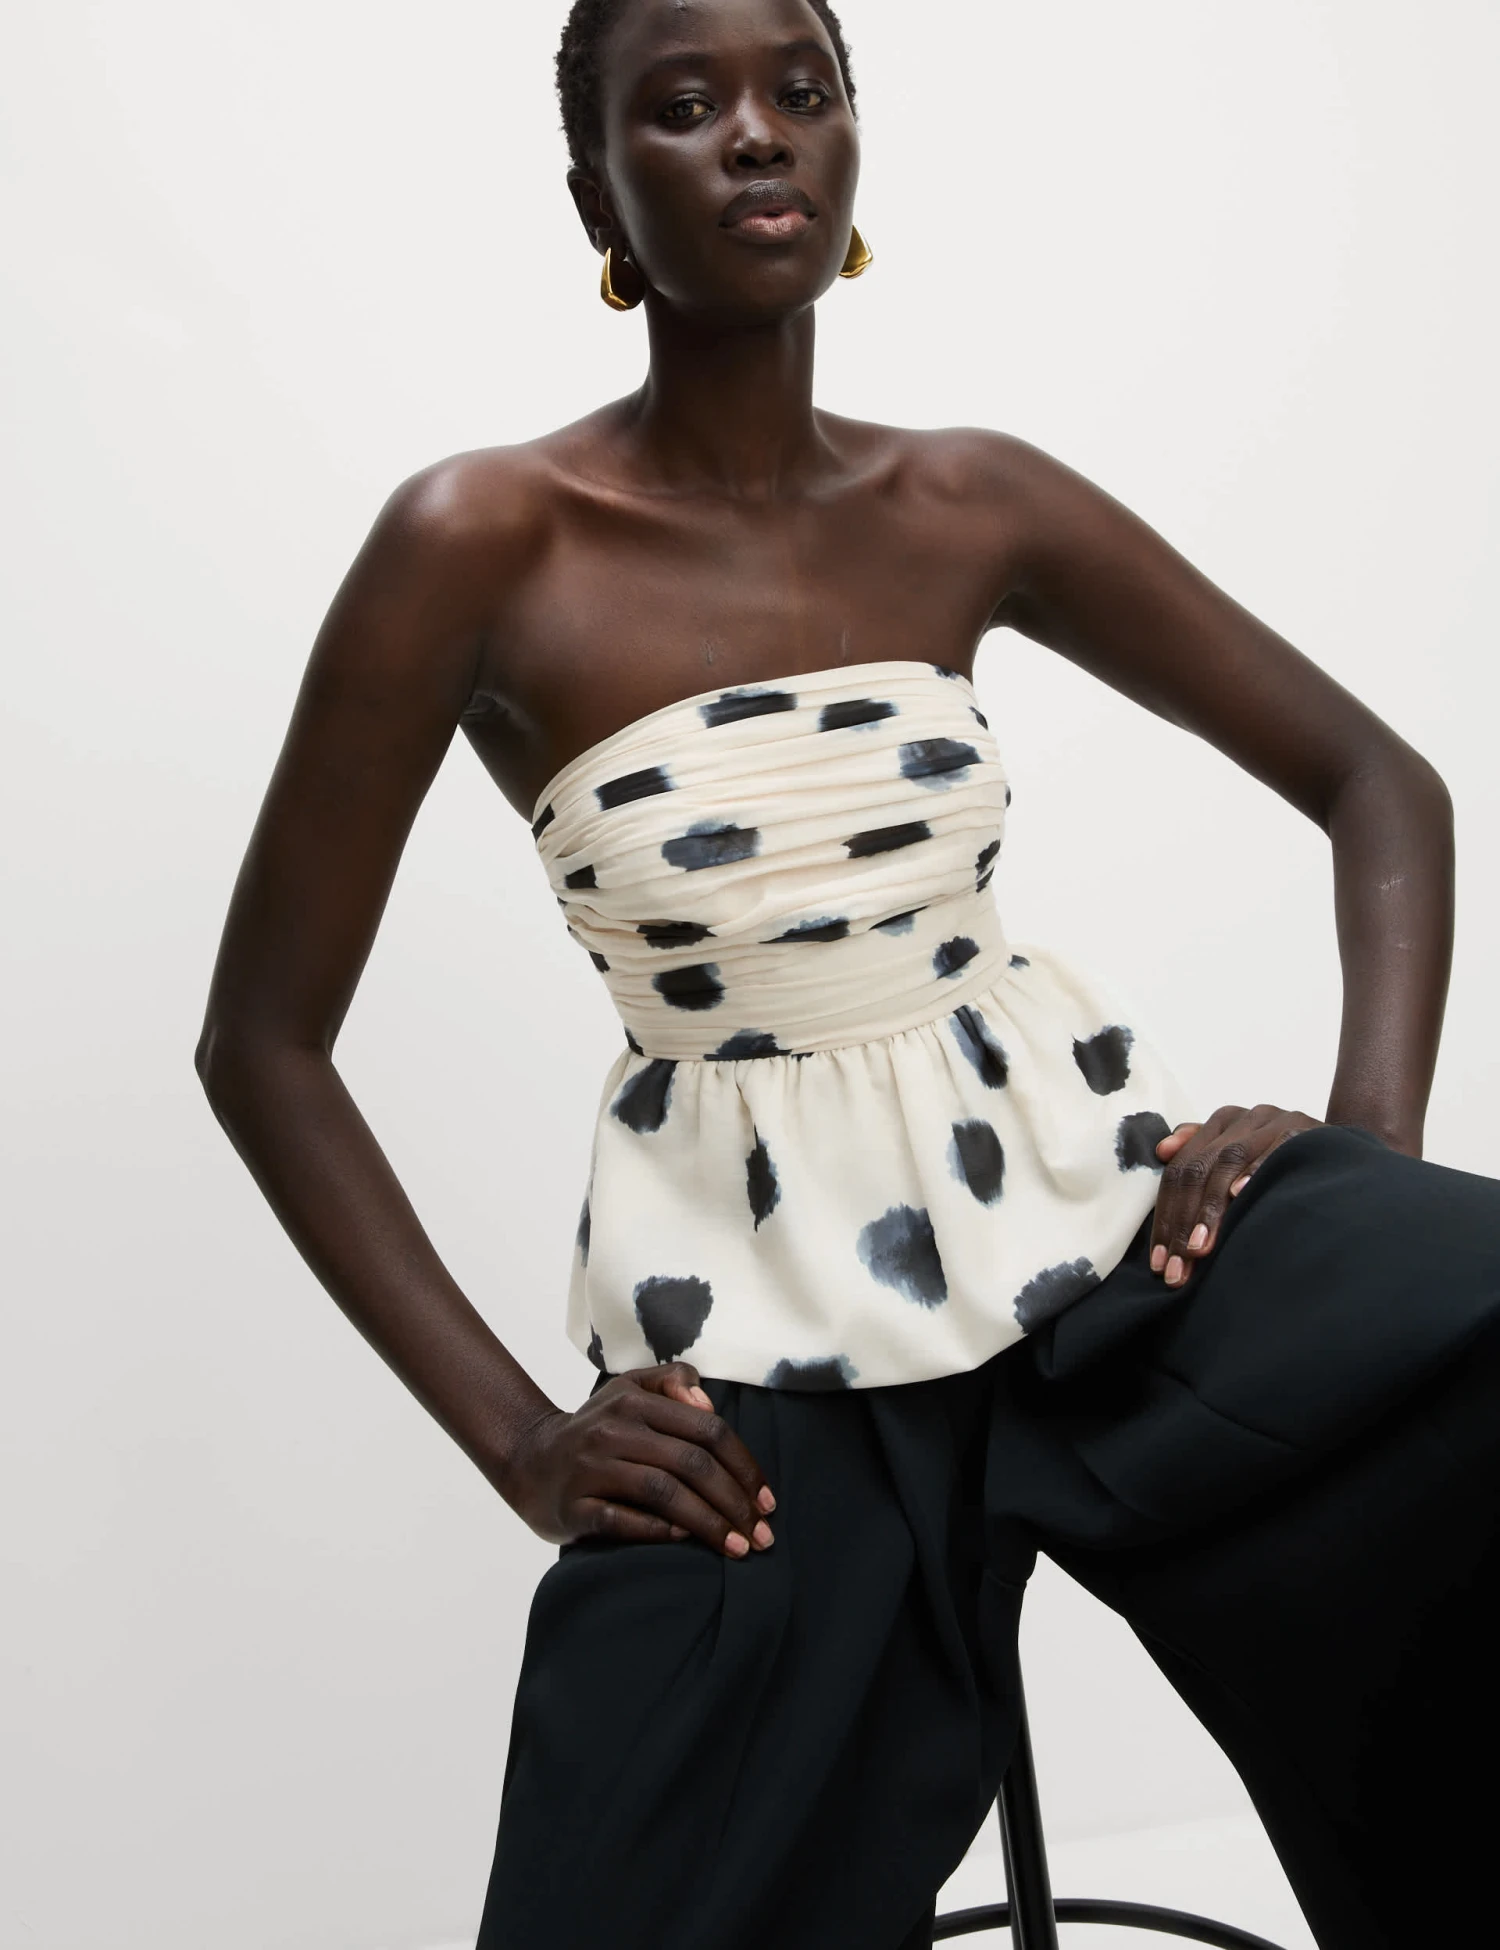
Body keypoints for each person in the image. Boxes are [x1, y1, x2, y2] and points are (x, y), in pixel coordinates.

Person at [194, 2, 1500, 1945]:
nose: (756, 134)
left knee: (1467, 1330)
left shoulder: (967, 501)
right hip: (762, 1332)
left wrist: (1365, 1141)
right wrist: (524, 1441)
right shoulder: (480, 541)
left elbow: (1379, 783)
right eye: (685, 103)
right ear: (598, 197)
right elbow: (263, 1045)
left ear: (853, 148)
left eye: (799, 91)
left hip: (1094, 1233)